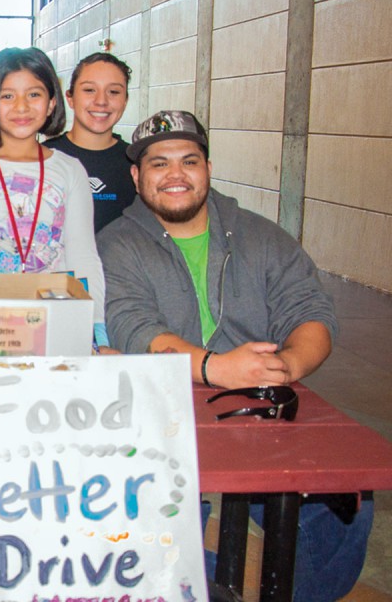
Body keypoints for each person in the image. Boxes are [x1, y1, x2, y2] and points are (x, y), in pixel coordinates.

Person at [97, 109, 373, 601]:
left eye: (190, 161)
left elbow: (311, 311)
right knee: (151, 521)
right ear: (137, 177)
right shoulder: (117, 244)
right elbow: (133, 326)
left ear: (207, 168)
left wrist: (288, 364)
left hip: (260, 406)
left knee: (343, 504)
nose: (176, 175)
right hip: (161, 406)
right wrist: (217, 368)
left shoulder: (261, 236)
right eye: (159, 164)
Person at [0, 47, 108, 346]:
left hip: (56, 326)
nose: (22, 107)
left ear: (52, 103)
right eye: (7, 96)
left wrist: (97, 333)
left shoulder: (69, 170)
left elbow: (84, 258)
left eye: (34, 95)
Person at [43, 52, 135, 233]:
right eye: (89, 90)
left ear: (125, 101)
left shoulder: (136, 163)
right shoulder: (42, 158)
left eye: (114, 92)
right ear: (70, 98)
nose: (101, 101)